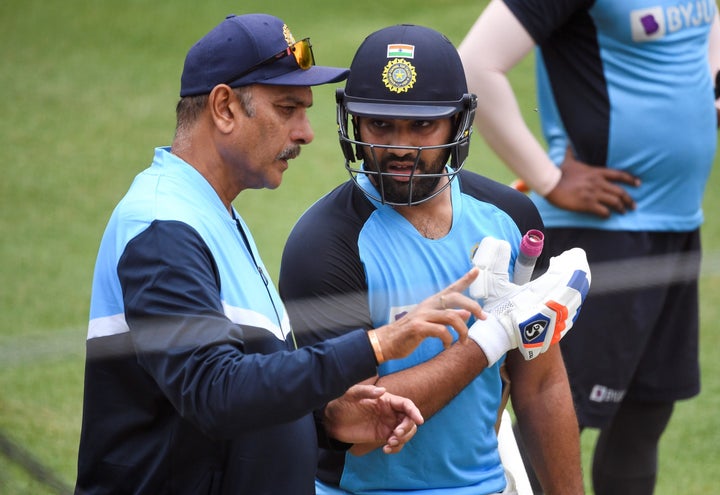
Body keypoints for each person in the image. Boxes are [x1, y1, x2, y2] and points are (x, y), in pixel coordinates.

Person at [73, 14, 487, 495]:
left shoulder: (211, 214)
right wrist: (375, 346)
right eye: (288, 108)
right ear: (224, 107)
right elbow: (214, 392)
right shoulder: (163, 227)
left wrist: (325, 419)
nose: (306, 133)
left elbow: (241, 393)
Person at [279, 24, 590, 494]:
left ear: (456, 123)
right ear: (355, 124)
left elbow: (540, 384)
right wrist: (490, 337)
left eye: (422, 125)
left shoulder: (511, 216)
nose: (401, 148)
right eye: (381, 124)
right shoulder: (323, 245)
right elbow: (354, 425)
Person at [458, 1, 720, 493]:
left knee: (645, 415)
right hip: (603, 232)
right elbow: (475, 63)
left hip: (679, 223)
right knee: (555, 417)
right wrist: (549, 179)